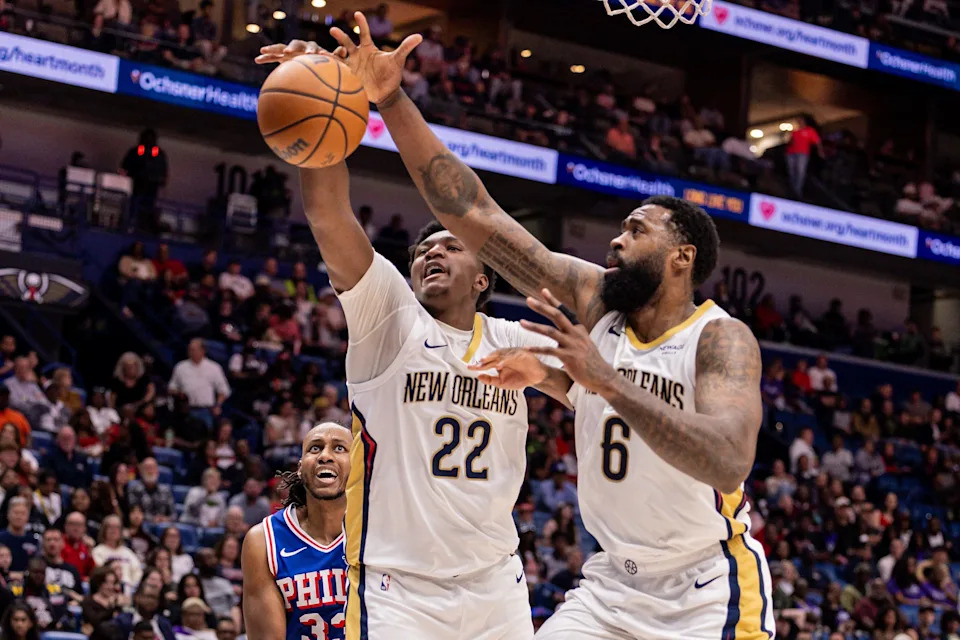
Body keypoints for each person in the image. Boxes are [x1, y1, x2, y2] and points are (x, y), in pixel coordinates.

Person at [260, 20, 770, 640]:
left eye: (636, 230)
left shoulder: (720, 339)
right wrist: (389, 100)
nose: (615, 238)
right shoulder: (592, 302)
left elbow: (727, 460)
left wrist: (594, 381)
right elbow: (471, 209)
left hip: (702, 589)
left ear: (682, 256)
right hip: (607, 586)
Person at [258, 37, 575, 638]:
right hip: (397, 590)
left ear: (483, 276)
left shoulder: (516, 336)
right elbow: (328, 216)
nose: (431, 254)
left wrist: (562, 378)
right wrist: (330, 90)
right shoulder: (390, 318)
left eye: (449, 246)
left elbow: (598, 391)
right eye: (421, 251)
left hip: (497, 585)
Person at [242, 423, 351, 640]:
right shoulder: (264, 540)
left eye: (339, 448)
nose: (325, 456)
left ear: (358, 465)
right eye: (315, 448)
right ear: (300, 468)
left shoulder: (381, 532)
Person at [168, 339, 231, 421]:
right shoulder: (180, 367)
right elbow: (171, 388)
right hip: (185, 410)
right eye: (189, 349)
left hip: (205, 411)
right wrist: (179, 393)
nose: (190, 352)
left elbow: (224, 390)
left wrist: (218, 405)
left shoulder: (214, 367)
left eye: (193, 350)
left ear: (203, 350)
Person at [11, 557, 69, 631]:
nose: (39, 576)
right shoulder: (16, 591)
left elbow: (64, 616)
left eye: (42, 573)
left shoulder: (54, 592)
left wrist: (58, 623)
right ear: (27, 572)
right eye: (35, 572)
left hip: (51, 630)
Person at [92, 514, 143, 591]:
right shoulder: (97, 551)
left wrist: (132, 586)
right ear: (104, 530)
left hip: (129, 589)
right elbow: (98, 574)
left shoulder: (127, 552)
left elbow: (138, 572)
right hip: (108, 589)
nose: (114, 530)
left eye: (117, 527)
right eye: (110, 527)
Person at [127, 457, 176, 523]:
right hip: (142, 525)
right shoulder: (134, 489)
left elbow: (174, 515)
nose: (150, 471)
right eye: (147, 468)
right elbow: (134, 513)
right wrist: (153, 519)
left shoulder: (166, 490)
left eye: (152, 468)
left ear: (157, 471)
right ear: (141, 471)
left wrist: (166, 519)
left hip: (163, 526)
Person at [0, 496, 41, 572]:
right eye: (16, 512)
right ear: (8, 514)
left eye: (23, 513)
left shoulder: (34, 540)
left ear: (28, 516)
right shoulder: (1, 538)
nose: (19, 517)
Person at [785, 114, 822, 196]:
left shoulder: (810, 131)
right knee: (791, 171)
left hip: (802, 154)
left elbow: (817, 141)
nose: (799, 122)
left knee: (800, 171)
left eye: (800, 120)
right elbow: (789, 141)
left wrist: (820, 151)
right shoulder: (794, 131)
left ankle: (797, 191)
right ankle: (792, 188)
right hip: (791, 153)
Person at [81, 566, 124, 632]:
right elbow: (94, 620)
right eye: (107, 583)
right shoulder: (88, 601)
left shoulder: (117, 602)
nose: (111, 587)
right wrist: (110, 608)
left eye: (113, 583)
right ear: (99, 583)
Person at [40, 527, 81, 595]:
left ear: (63, 543)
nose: (52, 543)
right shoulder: (35, 567)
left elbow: (79, 594)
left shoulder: (72, 570)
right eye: (48, 540)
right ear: (43, 543)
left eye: (56, 540)